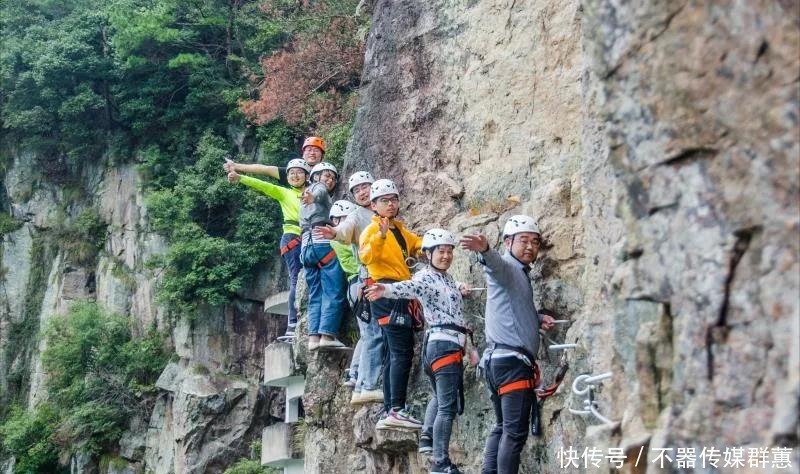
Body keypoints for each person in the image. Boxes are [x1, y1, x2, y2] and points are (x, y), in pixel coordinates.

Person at [365, 229, 478, 474]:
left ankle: (427, 438)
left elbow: (448, 297)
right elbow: (411, 287)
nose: (446, 256)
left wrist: (460, 287)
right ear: (428, 254)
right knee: (447, 406)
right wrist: (385, 290)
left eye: (449, 252)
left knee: (440, 397)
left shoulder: (445, 279)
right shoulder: (425, 276)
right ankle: (440, 462)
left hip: (444, 344)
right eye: (441, 251)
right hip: (443, 344)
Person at [460, 215, 556, 474]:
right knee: (514, 434)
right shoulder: (509, 268)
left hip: (496, 362)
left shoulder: (518, 276)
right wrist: (485, 250)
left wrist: (536, 318)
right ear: (507, 242)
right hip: (512, 364)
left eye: (535, 242)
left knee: (502, 427)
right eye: (523, 240)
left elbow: (513, 310)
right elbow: (495, 265)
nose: (530, 247)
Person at [314, 171, 384, 405]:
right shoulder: (354, 217)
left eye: (366, 186)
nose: (363, 191)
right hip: (362, 282)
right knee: (372, 335)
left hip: (367, 282)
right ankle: (364, 384)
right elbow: (344, 232)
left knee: (370, 335)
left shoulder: (380, 215)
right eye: (357, 189)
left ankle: (358, 379)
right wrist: (335, 231)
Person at [359, 179, 424, 430]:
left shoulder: (398, 228)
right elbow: (365, 256)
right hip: (385, 291)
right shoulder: (373, 230)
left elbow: (415, 243)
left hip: (398, 292)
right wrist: (381, 236)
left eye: (393, 199)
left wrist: (429, 244)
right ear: (374, 205)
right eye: (384, 200)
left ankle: (391, 408)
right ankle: (396, 409)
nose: (390, 204)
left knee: (392, 352)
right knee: (401, 350)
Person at [226, 158, 309, 339]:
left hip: (311, 239)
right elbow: (263, 185)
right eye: (291, 173)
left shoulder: (313, 193)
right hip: (293, 238)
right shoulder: (284, 192)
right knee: (296, 278)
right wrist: (240, 177)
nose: (295, 176)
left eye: (299, 173)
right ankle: (292, 323)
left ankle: (305, 318)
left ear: (307, 175)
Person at [302, 162, 347, 350]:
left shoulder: (305, 197)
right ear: (315, 176)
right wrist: (315, 196)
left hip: (306, 246)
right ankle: (327, 335)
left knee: (315, 294)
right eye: (325, 175)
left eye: (332, 178)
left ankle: (313, 338)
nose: (329, 180)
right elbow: (319, 192)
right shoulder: (317, 190)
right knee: (334, 289)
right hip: (322, 243)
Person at [222, 135, 325, 186]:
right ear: (303, 154)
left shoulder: (329, 174)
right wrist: (236, 166)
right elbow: (264, 169)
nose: (312, 153)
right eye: (309, 150)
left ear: (322, 155)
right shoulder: (292, 173)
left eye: (316, 150)